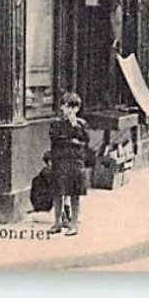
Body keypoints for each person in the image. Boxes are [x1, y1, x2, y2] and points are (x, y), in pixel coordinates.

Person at [47, 91, 93, 235]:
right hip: (60, 160)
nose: (70, 111)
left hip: (75, 161)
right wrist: (72, 141)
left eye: (73, 108)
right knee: (57, 192)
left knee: (74, 194)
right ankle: (57, 222)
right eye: (67, 107)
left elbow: (85, 140)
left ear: (77, 109)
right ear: (62, 107)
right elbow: (55, 139)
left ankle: (73, 224)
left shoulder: (81, 124)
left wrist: (75, 127)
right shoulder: (56, 123)